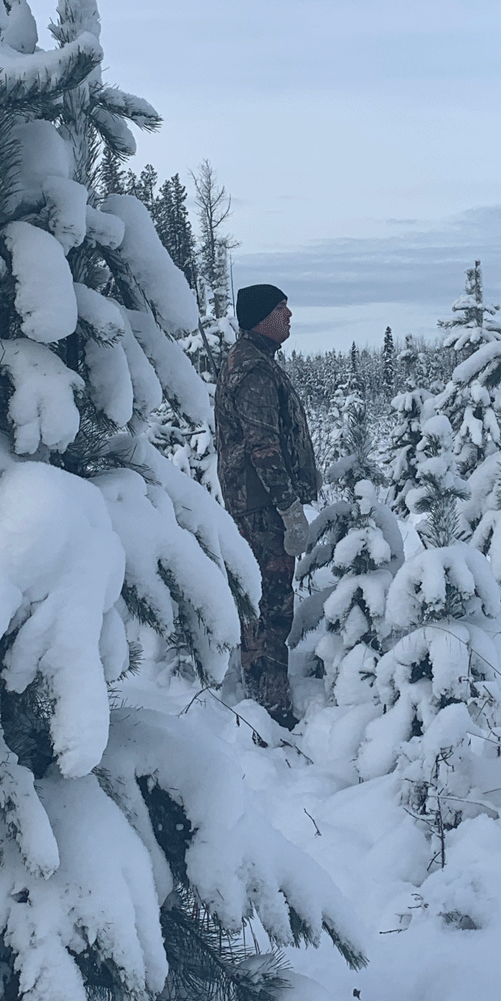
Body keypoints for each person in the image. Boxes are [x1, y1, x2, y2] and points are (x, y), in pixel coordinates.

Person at [215, 283, 319, 728]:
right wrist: (289, 510)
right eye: (281, 308)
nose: (290, 314)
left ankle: (264, 700)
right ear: (261, 317)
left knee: (267, 604)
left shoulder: (256, 361)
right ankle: (270, 711)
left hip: (258, 506)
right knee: (270, 608)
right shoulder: (254, 370)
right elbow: (263, 449)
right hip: (261, 510)